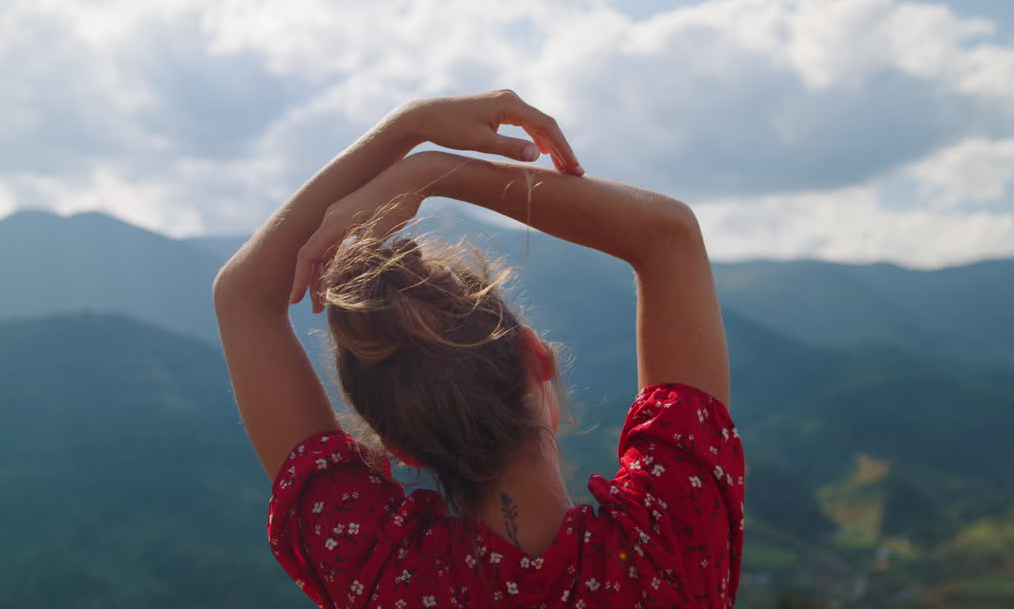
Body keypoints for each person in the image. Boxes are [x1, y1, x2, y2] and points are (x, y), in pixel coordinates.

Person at [213, 90, 743, 609]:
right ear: (537, 356)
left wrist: (407, 128)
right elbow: (668, 235)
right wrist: (431, 173)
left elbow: (243, 297)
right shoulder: (670, 547)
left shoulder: (374, 571)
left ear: (402, 449)